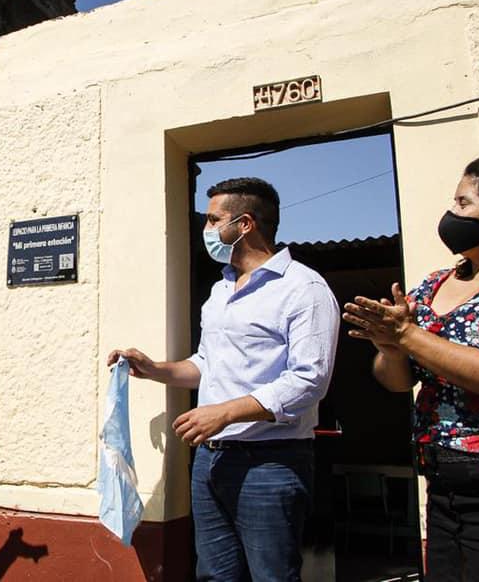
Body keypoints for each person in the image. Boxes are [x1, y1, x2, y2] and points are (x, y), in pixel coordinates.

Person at [108, 177, 339, 581]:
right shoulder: (221, 290)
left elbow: (309, 379)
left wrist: (226, 413)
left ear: (245, 224)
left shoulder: (304, 289)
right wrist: (154, 369)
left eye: (214, 220)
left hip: (271, 462)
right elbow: (206, 364)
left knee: (272, 575)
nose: (206, 229)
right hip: (211, 461)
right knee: (215, 575)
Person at [344, 156, 479, 581]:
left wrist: (408, 336)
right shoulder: (433, 283)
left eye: (464, 203)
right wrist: (390, 348)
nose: (452, 215)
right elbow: (397, 381)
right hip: (442, 476)